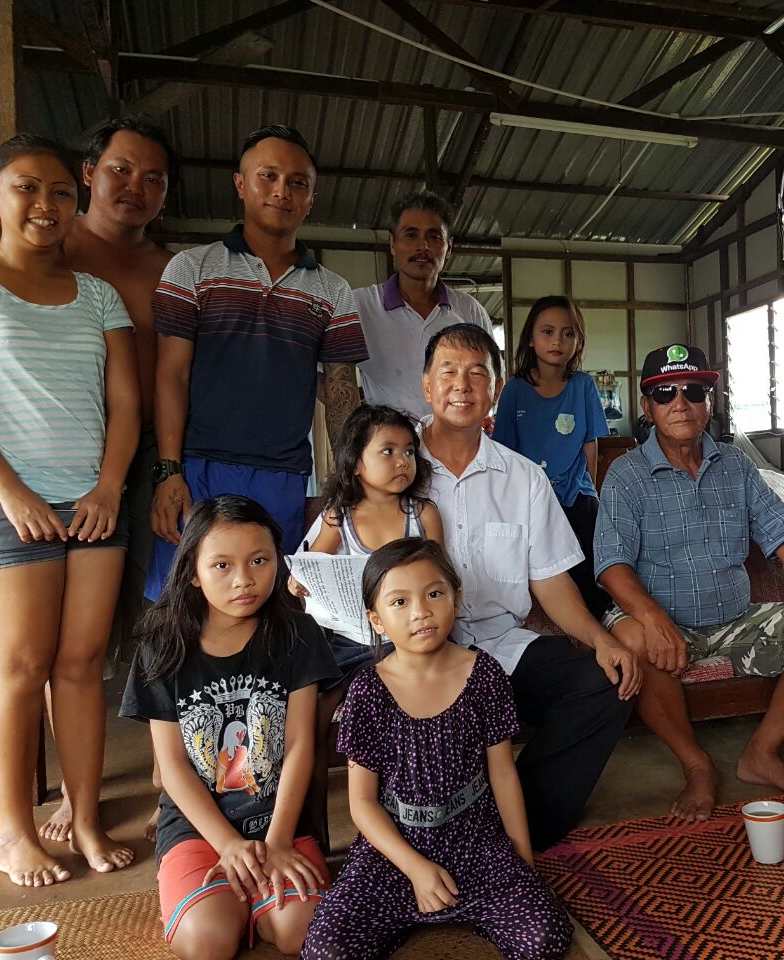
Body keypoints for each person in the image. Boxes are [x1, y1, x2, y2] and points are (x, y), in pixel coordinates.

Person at [0, 134, 139, 885]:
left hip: (92, 505)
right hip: (3, 506)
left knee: (80, 666)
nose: (45, 204)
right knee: (21, 667)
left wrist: (109, 486)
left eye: (61, 192)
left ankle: (86, 817)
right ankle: (14, 835)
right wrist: (10, 490)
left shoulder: (97, 295)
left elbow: (125, 404)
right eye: (26, 188)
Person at [594, 344, 784, 821]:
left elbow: (783, 533)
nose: (681, 403)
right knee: (633, 639)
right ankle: (696, 765)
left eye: (694, 391)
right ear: (647, 407)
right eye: (665, 394)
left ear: (710, 402)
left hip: (735, 619)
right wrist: (653, 618)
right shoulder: (627, 474)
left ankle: (762, 752)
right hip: (662, 618)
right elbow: (611, 564)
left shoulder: (735, 465)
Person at [418, 322, 640, 850]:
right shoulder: (393, 468)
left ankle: (519, 823)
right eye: (448, 371)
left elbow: (551, 581)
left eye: (477, 373)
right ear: (426, 385)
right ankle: (436, 832)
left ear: (496, 389)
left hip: (499, 649)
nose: (462, 385)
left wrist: (601, 639)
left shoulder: (523, 478)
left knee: (604, 682)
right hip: (418, 654)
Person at [302, 538, 572, 960]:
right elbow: (363, 804)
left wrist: (522, 860)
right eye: (400, 602)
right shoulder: (368, 691)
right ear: (376, 619)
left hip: (476, 840)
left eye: (433, 594)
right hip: (393, 848)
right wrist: (416, 869)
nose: (421, 612)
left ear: (456, 598)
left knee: (545, 937)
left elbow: (503, 773)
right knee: (325, 949)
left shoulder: (484, 674)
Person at [146, 124, 367, 601]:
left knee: (268, 601)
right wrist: (169, 471)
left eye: (297, 182)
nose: (282, 191)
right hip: (198, 467)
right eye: (268, 176)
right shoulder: (191, 268)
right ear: (241, 184)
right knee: (184, 603)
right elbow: (171, 375)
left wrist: (348, 481)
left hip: (283, 475)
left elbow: (341, 393)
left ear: (311, 199)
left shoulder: (332, 290)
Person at [34, 116, 178, 844]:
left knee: (164, 618)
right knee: (71, 641)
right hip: (61, 456)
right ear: (89, 172)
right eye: (121, 169)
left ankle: (167, 773)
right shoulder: (48, 250)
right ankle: (76, 789)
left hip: (153, 455)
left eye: (153, 178)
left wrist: (174, 464)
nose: (135, 187)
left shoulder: (172, 268)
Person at [120, 495, 338, 960]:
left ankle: (256, 901)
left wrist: (277, 842)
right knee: (208, 940)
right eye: (222, 565)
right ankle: (228, 900)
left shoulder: (298, 634)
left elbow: (300, 745)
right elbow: (173, 766)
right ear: (193, 573)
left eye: (259, 560)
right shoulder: (162, 645)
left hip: (279, 821)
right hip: (198, 829)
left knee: (302, 931)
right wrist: (228, 846)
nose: (244, 579)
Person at [289, 404, 444, 676]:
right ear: (356, 463)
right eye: (388, 451)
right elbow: (311, 568)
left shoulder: (424, 514)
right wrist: (298, 581)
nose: (403, 461)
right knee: (330, 684)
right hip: (355, 641)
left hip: (414, 633)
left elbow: (441, 576)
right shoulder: (339, 517)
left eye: (409, 451)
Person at [493, 296, 611, 618]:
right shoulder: (514, 390)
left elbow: (590, 443)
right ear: (531, 338)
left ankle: (602, 621)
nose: (557, 341)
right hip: (530, 497)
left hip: (575, 493)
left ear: (578, 342)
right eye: (547, 332)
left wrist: (590, 489)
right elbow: (505, 453)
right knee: (537, 561)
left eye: (567, 333)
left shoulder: (583, 386)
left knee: (592, 559)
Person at [354, 191, 490, 419]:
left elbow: (488, 379)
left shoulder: (470, 311)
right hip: (388, 439)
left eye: (434, 236)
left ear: (449, 247)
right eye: (411, 235)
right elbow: (326, 376)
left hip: (455, 438)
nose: (423, 246)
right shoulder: (361, 306)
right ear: (393, 244)